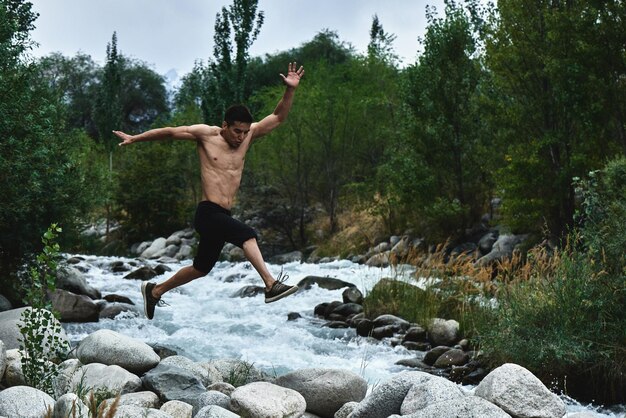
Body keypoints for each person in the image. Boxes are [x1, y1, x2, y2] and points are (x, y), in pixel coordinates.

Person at [113, 62, 305, 319]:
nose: (241, 136)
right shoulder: (206, 135)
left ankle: (155, 291)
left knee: (201, 268)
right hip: (208, 212)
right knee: (247, 235)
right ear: (225, 125)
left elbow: (278, 117)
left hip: (223, 214)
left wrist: (290, 90)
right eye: (236, 130)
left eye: (245, 132)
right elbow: (171, 132)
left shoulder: (248, 136)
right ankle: (271, 285)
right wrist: (136, 138)